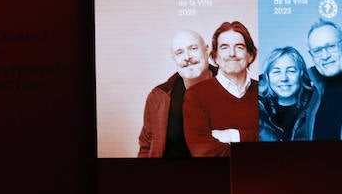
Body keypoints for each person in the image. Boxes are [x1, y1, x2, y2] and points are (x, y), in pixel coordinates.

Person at [184, 21, 261, 156]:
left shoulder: (266, 92)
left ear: (250, 55)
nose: (232, 53)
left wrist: (234, 136)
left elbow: (279, 142)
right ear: (215, 57)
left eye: (239, 47)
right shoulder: (195, 96)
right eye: (224, 47)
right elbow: (204, 153)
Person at [136, 29, 214, 157]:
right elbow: (146, 145)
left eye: (193, 48)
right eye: (179, 52)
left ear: (206, 50)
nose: (187, 57)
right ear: (174, 59)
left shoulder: (232, 87)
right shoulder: (159, 96)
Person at [303, 19, 342, 140]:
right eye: (317, 51)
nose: (325, 56)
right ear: (311, 55)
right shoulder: (309, 91)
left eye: (331, 46)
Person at [258, 45, 317, 142]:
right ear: (267, 76)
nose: (284, 78)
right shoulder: (258, 109)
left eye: (291, 71)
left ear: (301, 73)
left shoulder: (316, 105)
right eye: (276, 72)